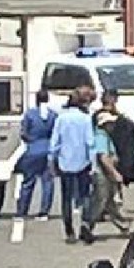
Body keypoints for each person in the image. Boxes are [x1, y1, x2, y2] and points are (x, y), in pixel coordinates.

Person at [50, 92, 96, 243]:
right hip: (83, 162)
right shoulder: (86, 119)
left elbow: (55, 142)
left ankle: (69, 230)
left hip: (65, 162)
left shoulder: (61, 118)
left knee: (66, 198)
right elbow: (90, 143)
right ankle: (85, 224)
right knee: (85, 195)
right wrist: (93, 163)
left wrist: (52, 160)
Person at [84, 112, 131, 242]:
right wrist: (115, 173)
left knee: (110, 202)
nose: (113, 126)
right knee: (101, 201)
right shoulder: (101, 137)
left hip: (105, 173)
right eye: (111, 123)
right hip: (102, 174)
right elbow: (103, 157)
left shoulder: (104, 136)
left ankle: (123, 225)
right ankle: (87, 224)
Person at [15, 90, 58, 219]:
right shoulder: (53, 115)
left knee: (28, 182)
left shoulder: (30, 114)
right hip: (48, 150)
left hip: (33, 150)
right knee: (48, 182)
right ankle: (44, 211)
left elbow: (24, 133)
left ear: (36, 99)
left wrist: (31, 140)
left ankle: (22, 210)